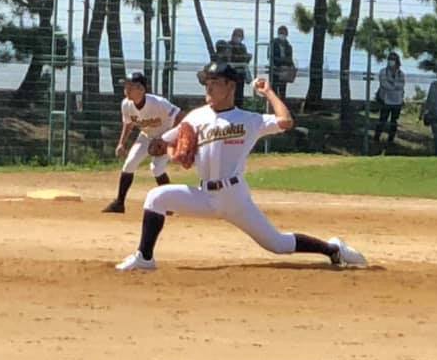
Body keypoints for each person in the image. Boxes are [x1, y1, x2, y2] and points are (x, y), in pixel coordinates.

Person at [115, 61, 367, 271]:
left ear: (231, 86)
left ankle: (333, 249)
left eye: (215, 82)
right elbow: (160, 145)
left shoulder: (249, 120)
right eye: (207, 82)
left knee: (278, 244)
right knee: (156, 197)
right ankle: (144, 258)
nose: (209, 86)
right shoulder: (196, 117)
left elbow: (285, 121)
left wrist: (268, 92)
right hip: (204, 196)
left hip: (235, 198)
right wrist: (165, 148)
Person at [102, 71, 185, 214]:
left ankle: (170, 205)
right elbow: (128, 124)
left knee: (156, 168)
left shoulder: (159, 103)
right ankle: (119, 203)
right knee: (129, 164)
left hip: (165, 137)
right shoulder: (126, 104)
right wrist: (121, 143)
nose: (126, 89)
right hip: (146, 136)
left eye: (130, 86)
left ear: (141, 89)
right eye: (125, 86)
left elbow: (181, 117)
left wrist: (169, 138)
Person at [374, 51, 405, 144]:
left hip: (397, 101)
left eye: (393, 59)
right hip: (385, 100)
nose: (391, 61)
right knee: (382, 120)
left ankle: (391, 140)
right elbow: (384, 84)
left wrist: (392, 84)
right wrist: (394, 86)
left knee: (394, 122)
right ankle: (376, 138)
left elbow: (401, 85)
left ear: (397, 61)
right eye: (389, 59)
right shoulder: (383, 71)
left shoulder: (401, 73)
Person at [226, 27, 252, 108]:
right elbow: (228, 60)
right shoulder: (228, 45)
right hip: (231, 74)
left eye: (240, 36)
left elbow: (244, 60)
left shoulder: (242, 47)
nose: (238, 37)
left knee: (239, 95)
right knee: (231, 95)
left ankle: (239, 108)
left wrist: (247, 58)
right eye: (237, 35)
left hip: (240, 74)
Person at [269, 25, 296, 101]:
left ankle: (282, 108)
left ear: (287, 34)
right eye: (281, 33)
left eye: (284, 33)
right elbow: (271, 56)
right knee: (274, 90)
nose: (282, 35)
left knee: (282, 91)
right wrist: (280, 61)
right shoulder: (273, 43)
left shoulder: (288, 46)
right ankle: (273, 109)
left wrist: (292, 67)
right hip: (275, 70)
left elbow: (290, 59)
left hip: (284, 71)